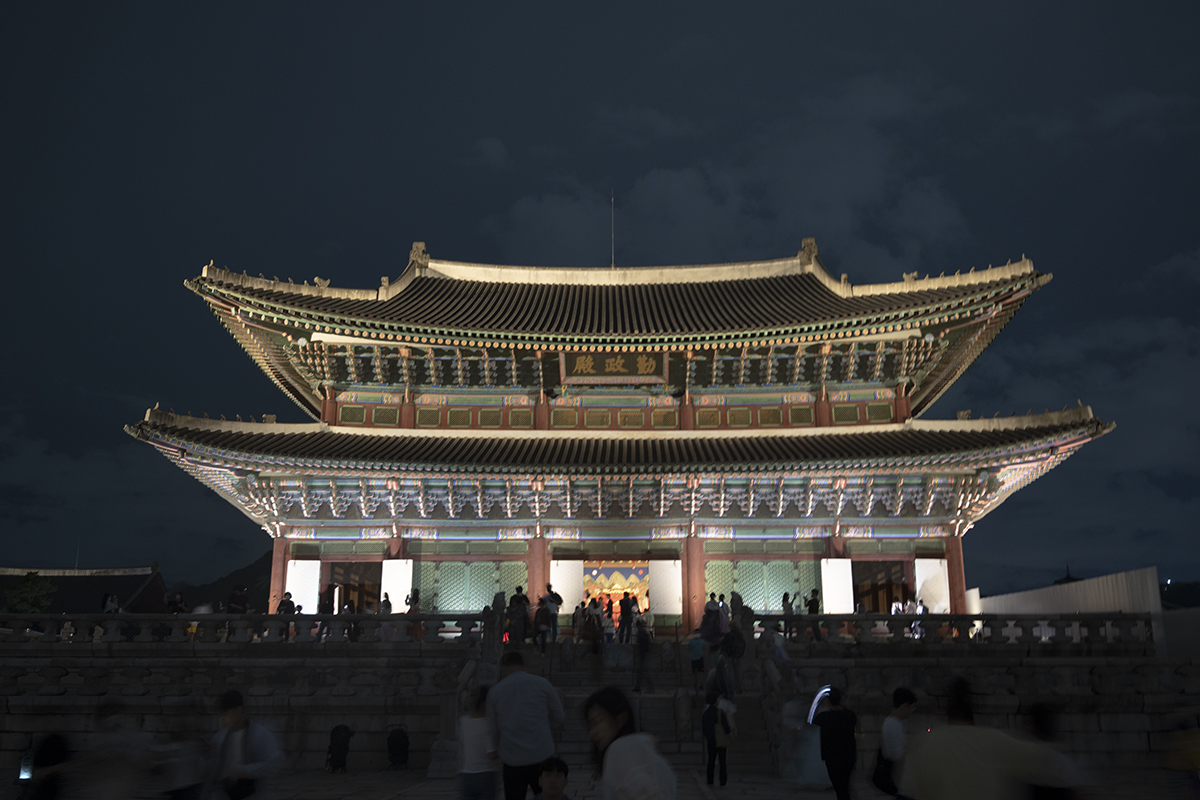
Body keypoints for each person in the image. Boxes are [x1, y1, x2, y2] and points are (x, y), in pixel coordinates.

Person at [899, 678, 1067, 800]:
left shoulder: (924, 743)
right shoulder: (993, 740)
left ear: (945, 710)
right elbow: (1045, 757)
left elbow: (906, 790)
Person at [486, 651, 565, 800]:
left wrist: (494, 749)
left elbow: (492, 729)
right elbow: (559, 716)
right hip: (541, 752)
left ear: (502, 667)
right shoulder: (542, 684)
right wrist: (544, 727)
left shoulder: (495, 692)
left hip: (512, 757)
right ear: (523, 666)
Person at [584, 686, 676, 800]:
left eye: (597, 722)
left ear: (620, 719)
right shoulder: (640, 747)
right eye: (590, 725)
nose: (592, 732)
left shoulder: (620, 748)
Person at [203, 690, 283, 800]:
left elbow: (273, 764)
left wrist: (245, 771)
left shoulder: (261, 735)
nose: (223, 720)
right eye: (221, 716)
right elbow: (213, 771)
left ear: (238, 711)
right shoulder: (220, 738)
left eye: (226, 715)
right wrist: (207, 757)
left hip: (253, 794)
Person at [812, 686, 857, 800]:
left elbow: (812, 720)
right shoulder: (850, 715)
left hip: (832, 757)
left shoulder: (824, 717)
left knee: (839, 787)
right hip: (848, 755)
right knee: (844, 785)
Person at [876, 687, 917, 797]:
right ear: (905, 705)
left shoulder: (894, 723)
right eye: (912, 708)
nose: (911, 712)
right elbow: (895, 754)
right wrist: (911, 747)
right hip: (899, 783)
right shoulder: (892, 725)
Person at [458, 685, 497, 800]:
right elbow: (491, 754)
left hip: (466, 775)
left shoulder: (463, 721)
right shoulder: (487, 724)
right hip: (485, 774)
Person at [701, 691, 732, 787]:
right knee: (722, 761)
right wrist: (731, 737)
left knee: (711, 761)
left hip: (710, 739)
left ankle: (710, 780)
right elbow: (726, 727)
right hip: (720, 739)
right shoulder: (720, 712)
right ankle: (723, 781)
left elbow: (704, 728)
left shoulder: (705, 714)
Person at [632, 617, 654, 693]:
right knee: (642, 671)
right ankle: (639, 686)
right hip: (644, 652)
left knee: (642, 671)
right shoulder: (644, 631)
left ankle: (647, 687)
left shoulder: (640, 632)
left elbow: (640, 642)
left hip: (642, 652)